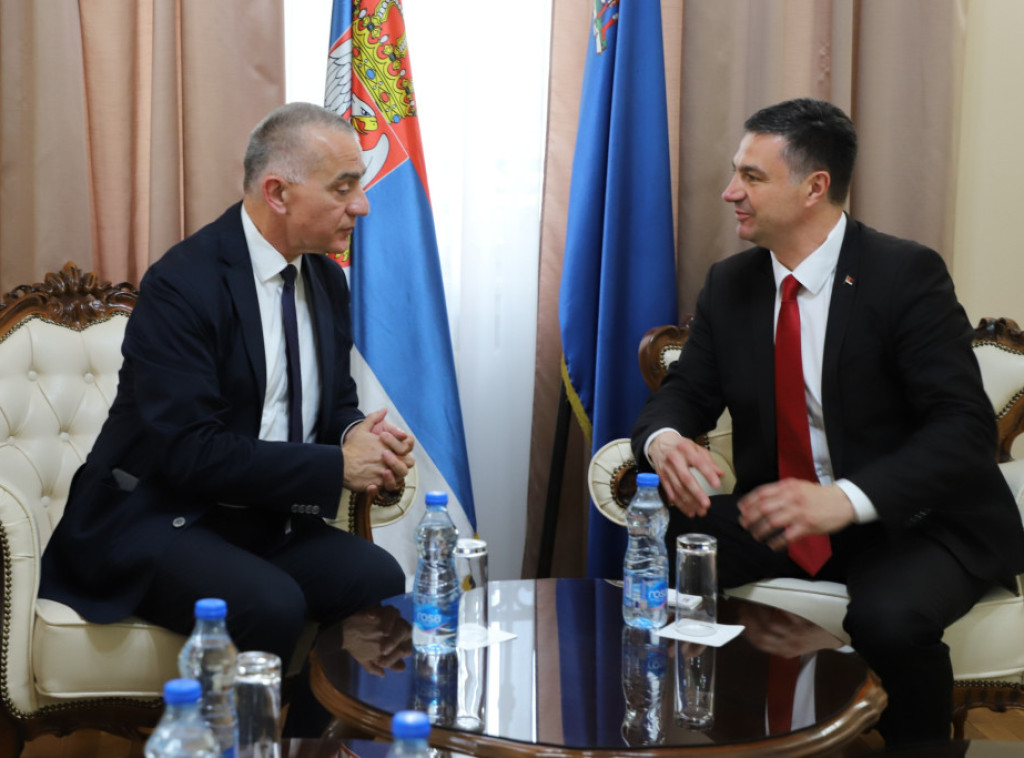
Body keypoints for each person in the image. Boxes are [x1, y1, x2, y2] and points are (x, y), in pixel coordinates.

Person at [632, 97, 1024, 746]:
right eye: (735, 173)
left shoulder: (904, 275)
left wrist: (844, 499)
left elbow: (964, 429)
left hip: (917, 520)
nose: (730, 192)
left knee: (889, 620)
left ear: (814, 187)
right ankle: (733, 733)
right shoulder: (731, 285)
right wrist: (666, 440)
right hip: (790, 514)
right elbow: (683, 394)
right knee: (659, 539)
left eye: (751, 177)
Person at [40, 102, 411, 732]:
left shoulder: (326, 281)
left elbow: (334, 404)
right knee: (269, 603)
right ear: (278, 193)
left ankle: (304, 746)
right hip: (159, 516)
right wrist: (335, 467)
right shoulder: (182, 285)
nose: (363, 206)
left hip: (258, 518)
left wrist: (360, 438)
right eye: (343, 188)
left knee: (376, 576)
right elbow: (190, 451)